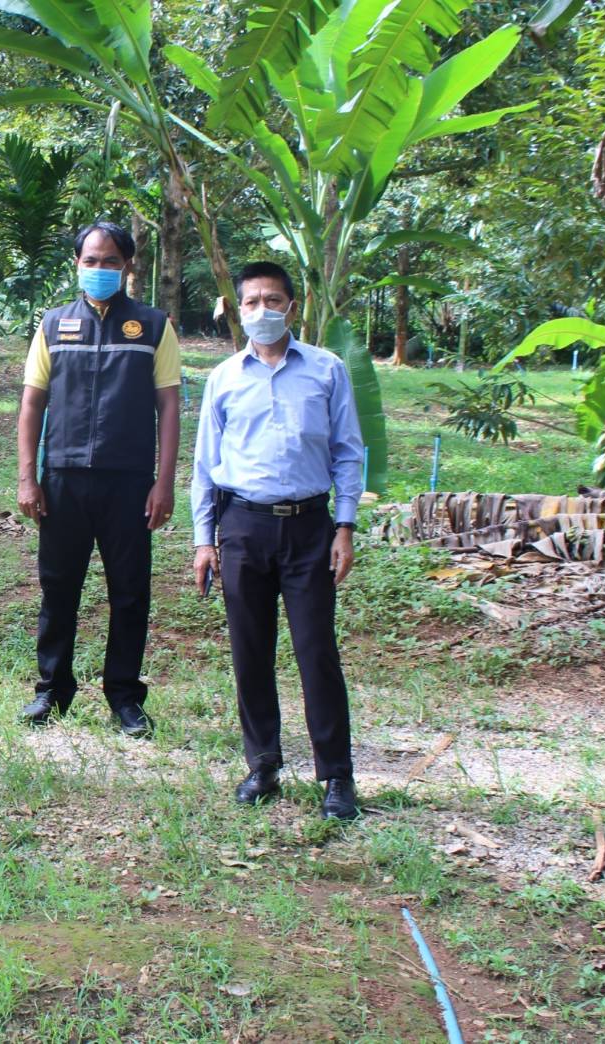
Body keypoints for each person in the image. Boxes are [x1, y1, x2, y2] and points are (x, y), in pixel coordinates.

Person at [190, 260, 365, 821]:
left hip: (311, 528)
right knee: (250, 651)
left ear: (292, 307)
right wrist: (204, 541)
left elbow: (348, 452)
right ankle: (262, 765)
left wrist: (345, 527)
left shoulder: (326, 370)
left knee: (317, 652)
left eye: (273, 301)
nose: (262, 310)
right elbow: (205, 466)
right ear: (237, 310)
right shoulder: (223, 378)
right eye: (251, 302)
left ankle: (336, 776)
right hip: (243, 527)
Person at [15, 222, 181, 738]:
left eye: (110, 261)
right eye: (91, 260)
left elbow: (169, 407)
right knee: (58, 587)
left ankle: (124, 696)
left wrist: (164, 483)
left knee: (129, 592)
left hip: (129, 481)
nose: (100, 269)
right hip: (62, 479)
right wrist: (27, 478)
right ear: (77, 264)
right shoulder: (53, 324)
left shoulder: (154, 326)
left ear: (127, 266)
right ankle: (51, 690)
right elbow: (32, 404)